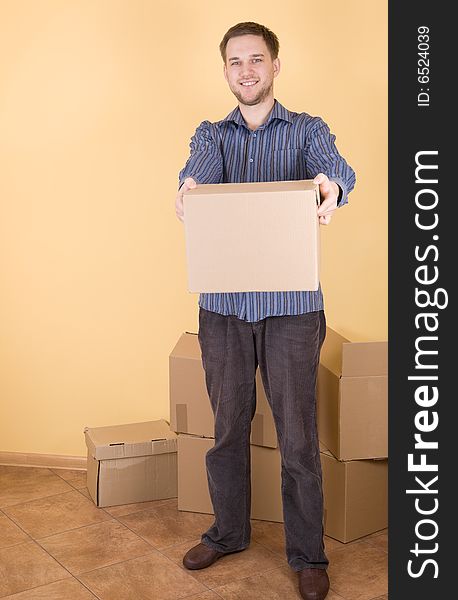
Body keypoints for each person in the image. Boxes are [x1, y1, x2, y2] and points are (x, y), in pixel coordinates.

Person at [175, 22, 355, 600]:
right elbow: (196, 173)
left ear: (276, 65)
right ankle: (228, 533)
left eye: (257, 60)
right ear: (225, 70)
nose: (246, 71)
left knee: (297, 436)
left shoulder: (307, 131)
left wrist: (330, 187)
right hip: (224, 310)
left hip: (292, 310)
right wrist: (187, 190)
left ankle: (308, 555)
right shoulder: (213, 135)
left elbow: (337, 170)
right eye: (235, 62)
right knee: (227, 429)